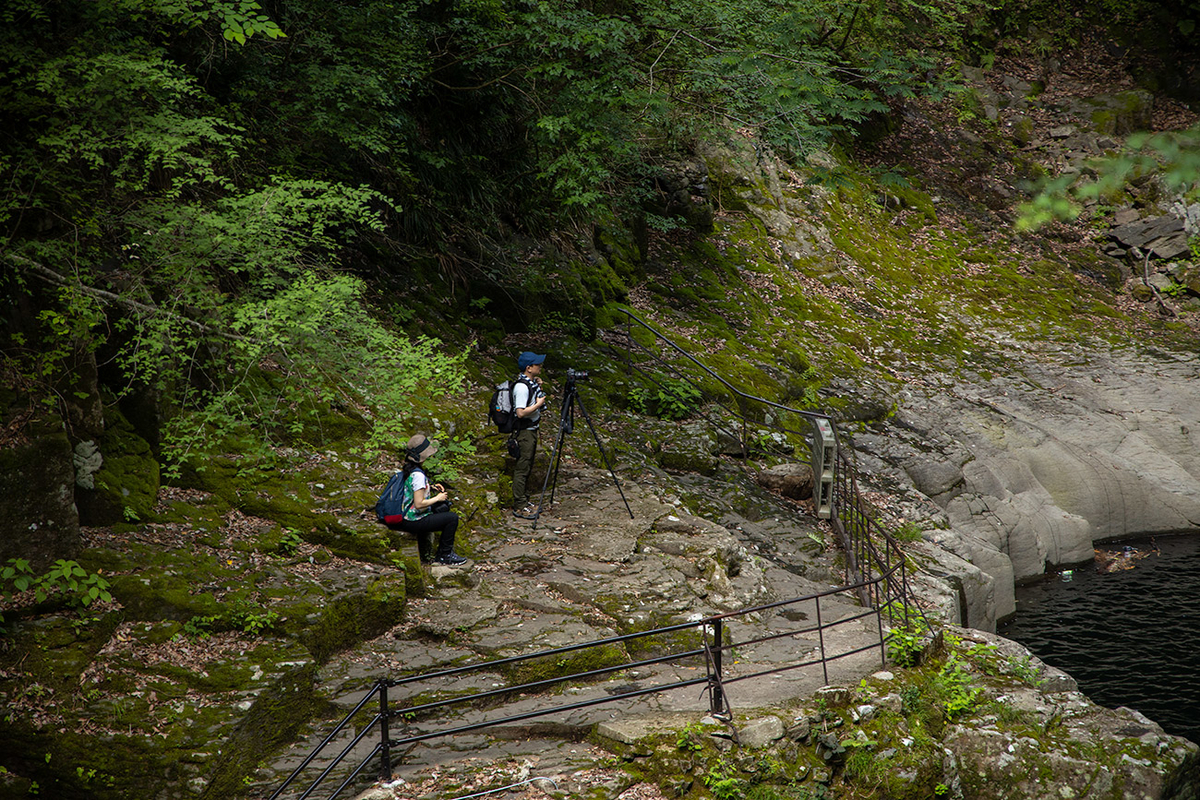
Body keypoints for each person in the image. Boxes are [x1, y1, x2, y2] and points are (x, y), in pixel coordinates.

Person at [391, 434, 468, 565]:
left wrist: (430, 487)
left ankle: (441, 552)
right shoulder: (418, 475)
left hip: (406, 515)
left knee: (443, 508)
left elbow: (413, 489)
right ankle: (445, 555)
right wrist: (438, 498)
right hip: (413, 520)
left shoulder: (410, 469)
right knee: (452, 518)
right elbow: (419, 503)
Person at [511, 351, 547, 519]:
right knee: (522, 468)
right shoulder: (521, 387)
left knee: (528, 466)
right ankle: (519, 505)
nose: (540, 367)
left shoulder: (530, 383)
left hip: (531, 430)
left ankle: (524, 500)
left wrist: (538, 386)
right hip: (524, 432)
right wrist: (539, 404)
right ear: (529, 368)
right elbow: (520, 412)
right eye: (537, 364)